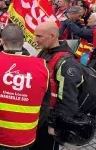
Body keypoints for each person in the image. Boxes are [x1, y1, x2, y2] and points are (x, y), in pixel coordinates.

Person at [0, 24, 49, 149]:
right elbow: (45, 105)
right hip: (26, 137)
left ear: (2, 41)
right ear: (23, 41)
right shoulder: (43, 66)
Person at [32, 22, 84, 150]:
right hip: (40, 116)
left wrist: (54, 124)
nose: (35, 40)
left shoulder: (67, 63)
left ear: (53, 36)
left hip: (50, 121)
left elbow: (69, 100)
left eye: (39, 36)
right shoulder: (45, 52)